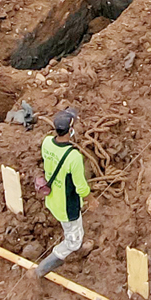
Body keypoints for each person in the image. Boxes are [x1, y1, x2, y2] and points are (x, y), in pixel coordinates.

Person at [36, 108, 91, 278]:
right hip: (67, 206)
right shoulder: (73, 157)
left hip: (52, 199)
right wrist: (91, 200)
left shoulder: (46, 142)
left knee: (71, 229)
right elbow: (81, 187)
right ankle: (43, 268)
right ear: (70, 130)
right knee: (73, 241)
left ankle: (76, 244)